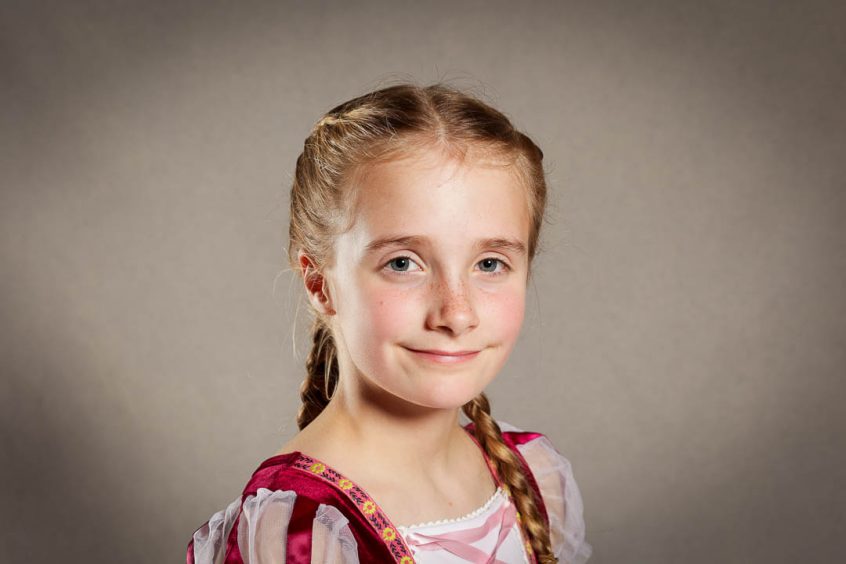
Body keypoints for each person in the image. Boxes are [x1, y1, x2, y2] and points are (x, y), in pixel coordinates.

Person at [186, 82, 592, 564]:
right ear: (321, 285)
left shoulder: (535, 479)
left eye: (489, 264)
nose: (457, 314)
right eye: (403, 263)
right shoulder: (298, 533)